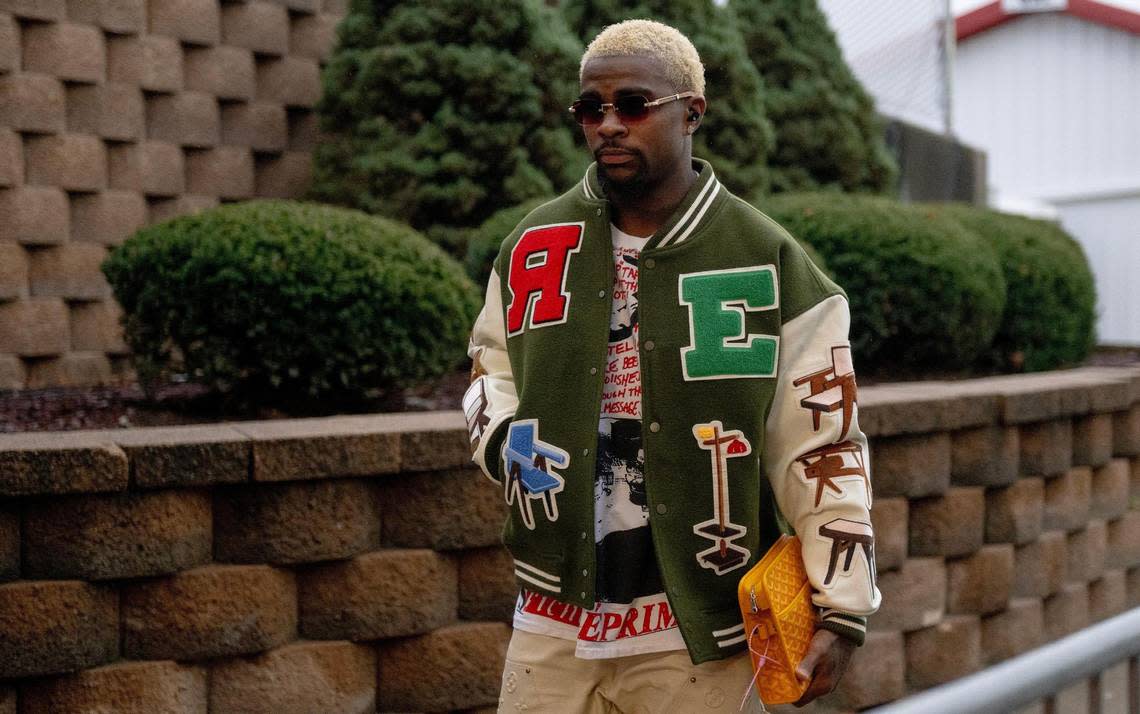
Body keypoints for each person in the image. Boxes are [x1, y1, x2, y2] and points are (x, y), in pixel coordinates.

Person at [463, 18, 880, 714]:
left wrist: (842, 608)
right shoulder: (533, 246)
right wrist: (507, 444)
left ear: (692, 112)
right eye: (590, 109)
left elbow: (824, 447)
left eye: (632, 105)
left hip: (698, 629)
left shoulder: (767, 262)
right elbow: (488, 372)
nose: (607, 126)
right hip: (551, 617)